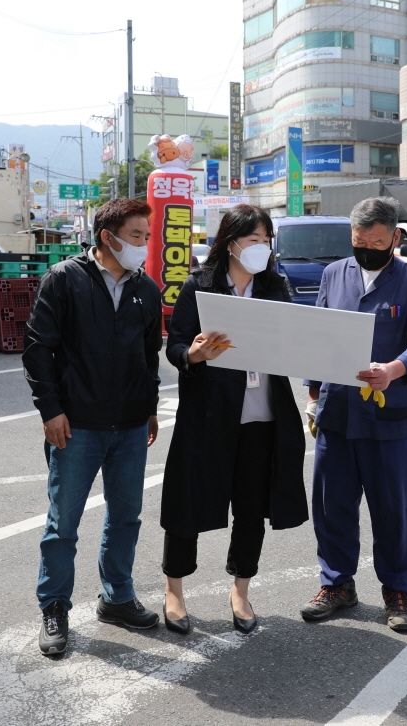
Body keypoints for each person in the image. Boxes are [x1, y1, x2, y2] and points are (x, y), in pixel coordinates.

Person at [23, 198, 163, 655]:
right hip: (76, 425)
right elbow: (38, 349)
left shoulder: (147, 289)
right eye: (137, 236)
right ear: (108, 236)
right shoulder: (65, 280)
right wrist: (50, 411)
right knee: (63, 523)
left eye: (147, 236)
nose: (144, 245)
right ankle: (54, 606)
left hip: (128, 427)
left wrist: (149, 406)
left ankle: (117, 597)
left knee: (126, 518)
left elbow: (149, 356)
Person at [161, 204, 308, 635]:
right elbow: (175, 346)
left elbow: (294, 339)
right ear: (230, 243)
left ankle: (241, 590)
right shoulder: (199, 286)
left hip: (264, 417)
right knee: (188, 504)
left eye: (267, 240)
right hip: (208, 417)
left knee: (251, 508)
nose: (262, 248)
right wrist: (194, 354)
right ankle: (175, 590)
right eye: (254, 240)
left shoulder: (275, 286)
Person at [300, 197, 407, 632]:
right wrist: (312, 395)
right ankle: (336, 584)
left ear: (394, 238)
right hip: (337, 413)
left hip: (388, 419)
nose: (367, 249)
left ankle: (398, 590)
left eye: (377, 242)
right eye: (359, 241)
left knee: (393, 509)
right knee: (332, 504)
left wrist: (394, 370)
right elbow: (318, 339)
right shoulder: (333, 274)